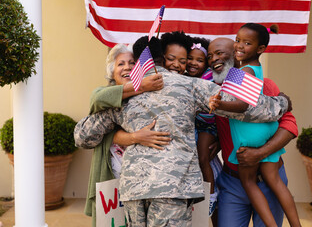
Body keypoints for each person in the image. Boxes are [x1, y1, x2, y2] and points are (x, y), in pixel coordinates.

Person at [74, 36, 291, 227]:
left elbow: (82, 136)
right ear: (162, 57)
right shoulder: (188, 85)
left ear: (140, 60)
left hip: (133, 191)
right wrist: (281, 102)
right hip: (173, 189)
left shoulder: (123, 95)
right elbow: (241, 104)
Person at [207, 37, 298, 227]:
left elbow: (289, 126)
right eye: (210, 56)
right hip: (232, 181)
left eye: (220, 53)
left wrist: (259, 153)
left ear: (236, 54)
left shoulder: (265, 84)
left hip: (268, 178)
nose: (213, 59)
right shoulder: (212, 92)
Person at [77, 43, 171, 227]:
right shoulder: (102, 95)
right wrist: (134, 137)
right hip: (111, 183)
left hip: (145, 186)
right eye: (121, 64)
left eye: (132, 63)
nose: (127, 67)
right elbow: (85, 135)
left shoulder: (151, 99)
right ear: (112, 72)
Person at [187, 36, 222, 221]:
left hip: (208, 126)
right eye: (190, 58)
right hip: (199, 124)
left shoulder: (210, 76)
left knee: (203, 158)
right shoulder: (186, 77)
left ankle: (211, 195)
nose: (194, 63)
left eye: (199, 60)